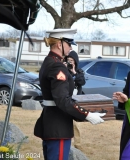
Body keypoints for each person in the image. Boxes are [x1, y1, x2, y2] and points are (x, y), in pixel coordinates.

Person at [34, 28, 105, 160]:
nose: (71, 47)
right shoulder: (57, 66)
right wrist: (87, 115)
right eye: (69, 43)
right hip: (58, 125)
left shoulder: (49, 61)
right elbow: (62, 99)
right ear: (60, 44)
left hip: (51, 122)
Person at [64, 50, 85, 149]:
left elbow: (82, 82)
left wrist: (74, 72)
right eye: (68, 60)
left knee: (76, 124)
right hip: (66, 100)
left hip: (76, 101)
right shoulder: (63, 70)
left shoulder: (79, 71)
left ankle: (78, 144)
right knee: (65, 122)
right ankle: (66, 143)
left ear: (75, 61)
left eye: (72, 60)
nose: (70, 62)